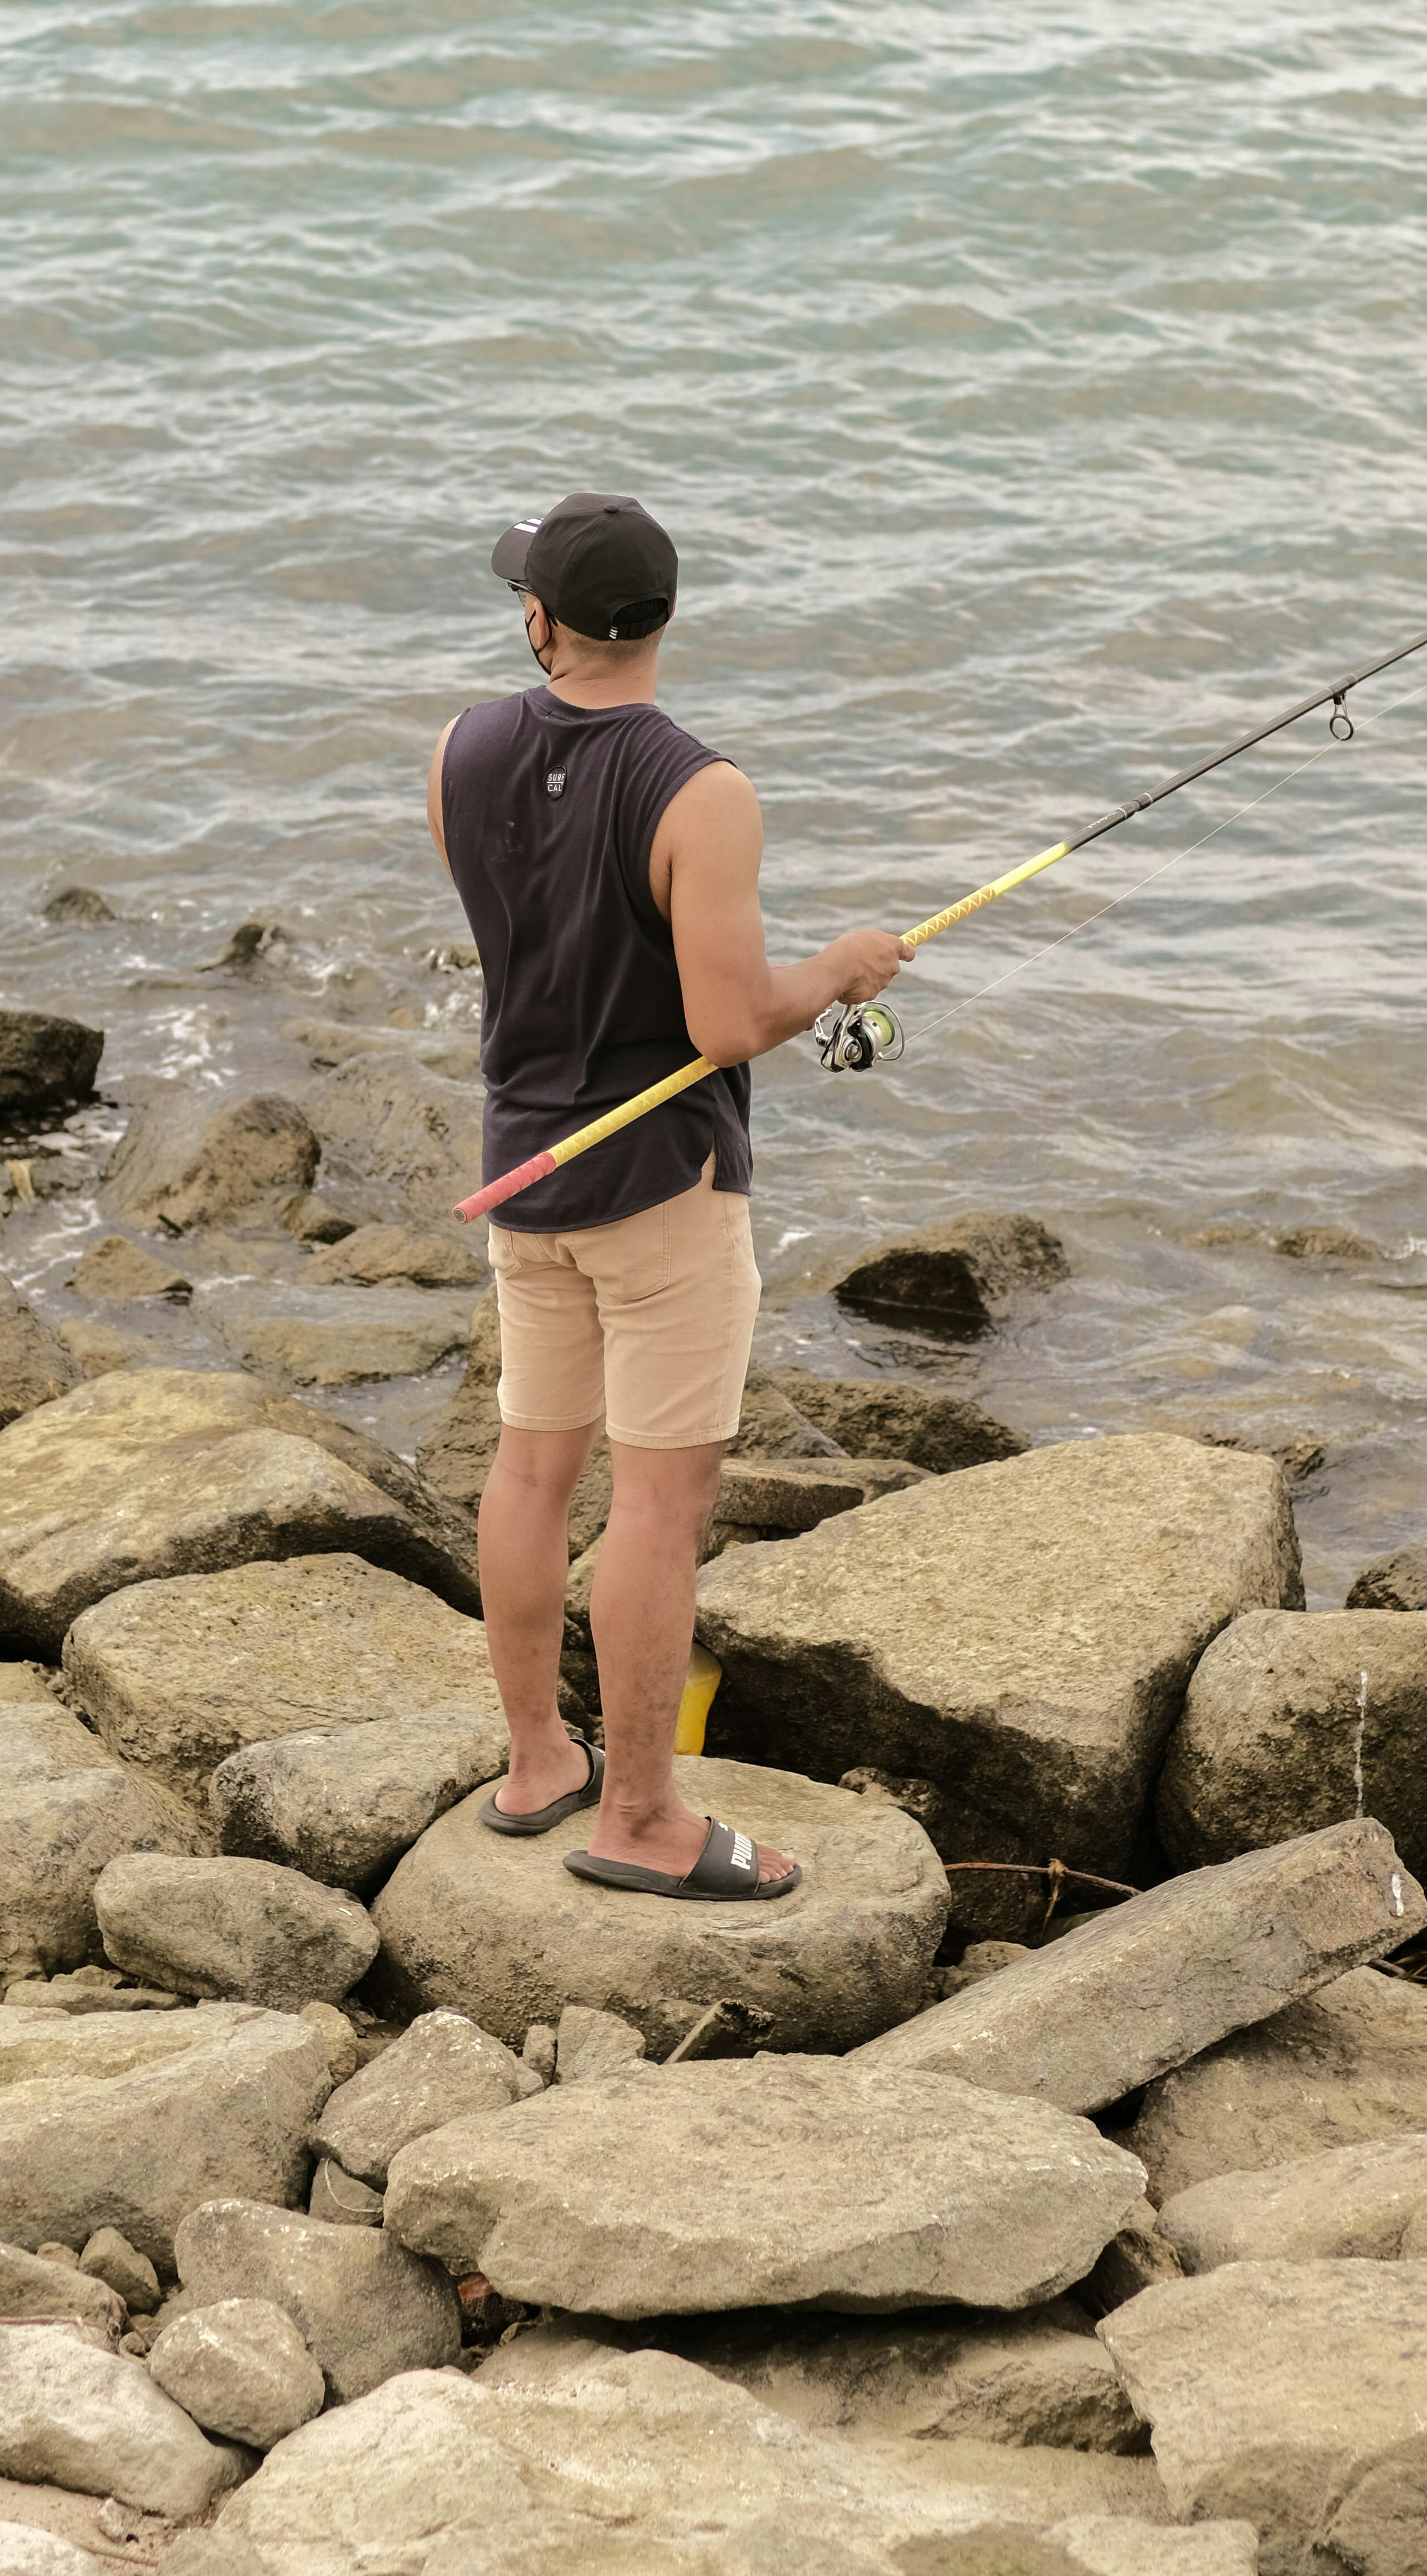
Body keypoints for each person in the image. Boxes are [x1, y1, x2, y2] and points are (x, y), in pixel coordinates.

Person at [427, 489, 910, 1899]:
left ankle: (537, 1762)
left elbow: (528, 935)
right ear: (662, 619)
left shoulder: (459, 749)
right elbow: (725, 1024)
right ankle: (639, 1819)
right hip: (659, 1191)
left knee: (531, 1469)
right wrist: (836, 970)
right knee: (656, 1502)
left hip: (525, 1170)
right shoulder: (705, 795)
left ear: (543, 623)